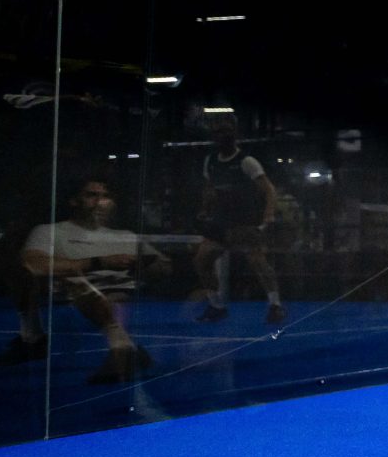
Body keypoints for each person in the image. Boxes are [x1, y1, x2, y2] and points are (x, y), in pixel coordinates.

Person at [15, 176, 171, 383]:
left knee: (113, 297)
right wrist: (99, 262)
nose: (100, 202)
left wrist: (144, 266)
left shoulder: (125, 235)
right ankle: (123, 349)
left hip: (120, 293)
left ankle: (122, 350)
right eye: (91, 195)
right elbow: (32, 264)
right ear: (74, 200)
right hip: (70, 294)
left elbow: (164, 267)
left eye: (105, 196)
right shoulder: (49, 231)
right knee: (76, 283)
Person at [194, 115, 285, 324]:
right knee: (201, 260)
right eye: (219, 132)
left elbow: (269, 190)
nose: (223, 135)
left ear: (234, 135)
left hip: (245, 222)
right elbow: (209, 189)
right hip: (220, 222)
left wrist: (268, 214)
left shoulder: (247, 162)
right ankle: (216, 306)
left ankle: (275, 305)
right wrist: (204, 209)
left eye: (227, 131)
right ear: (214, 137)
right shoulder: (210, 162)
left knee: (257, 262)